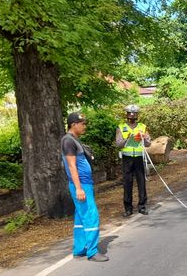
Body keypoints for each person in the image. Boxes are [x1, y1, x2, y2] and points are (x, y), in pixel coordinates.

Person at [61, 112, 109, 262]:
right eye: (82, 123)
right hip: (81, 185)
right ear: (73, 124)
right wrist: (79, 188)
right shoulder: (68, 141)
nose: (84, 126)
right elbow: (71, 166)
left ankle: (79, 249)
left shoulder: (74, 140)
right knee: (91, 216)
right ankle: (92, 252)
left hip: (84, 183)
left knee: (80, 218)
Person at [116, 104, 151, 217]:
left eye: (134, 113)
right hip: (127, 158)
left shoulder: (142, 127)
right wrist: (128, 139)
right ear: (126, 114)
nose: (132, 115)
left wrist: (144, 138)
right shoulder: (121, 127)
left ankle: (142, 206)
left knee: (141, 182)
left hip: (139, 158)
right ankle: (128, 208)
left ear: (137, 115)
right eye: (130, 113)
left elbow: (148, 143)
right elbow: (118, 144)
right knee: (127, 183)